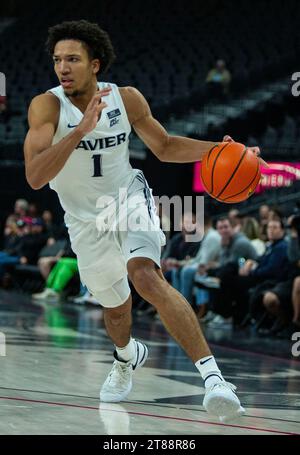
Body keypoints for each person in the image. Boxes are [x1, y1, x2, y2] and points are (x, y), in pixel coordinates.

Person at [24, 20, 261, 421]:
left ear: (95, 64)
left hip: (128, 198)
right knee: (116, 311)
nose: (63, 67)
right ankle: (125, 358)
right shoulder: (46, 106)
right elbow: (34, 176)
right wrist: (79, 131)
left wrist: (223, 151)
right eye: (57, 60)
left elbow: (165, 147)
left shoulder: (126, 99)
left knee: (146, 276)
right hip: (84, 220)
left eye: (73, 59)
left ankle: (214, 380)